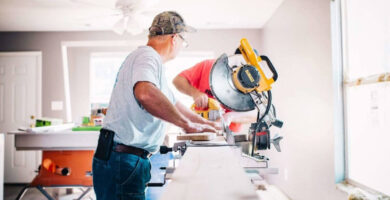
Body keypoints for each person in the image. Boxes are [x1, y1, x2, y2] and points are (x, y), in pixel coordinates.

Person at [92, 11, 219, 200]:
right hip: (123, 159)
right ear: (175, 38)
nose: (182, 47)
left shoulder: (150, 61)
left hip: (123, 157)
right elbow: (145, 93)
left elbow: (172, 101)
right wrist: (186, 125)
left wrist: (203, 123)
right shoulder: (147, 56)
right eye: (184, 42)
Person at [173, 50, 257, 133]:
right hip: (199, 129)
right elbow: (178, 80)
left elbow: (256, 114)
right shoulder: (209, 66)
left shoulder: (254, 85)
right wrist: (195, 93)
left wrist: (229, 117)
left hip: (229, 134)